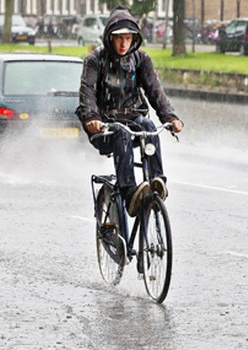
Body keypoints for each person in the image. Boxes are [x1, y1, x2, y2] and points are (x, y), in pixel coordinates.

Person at [77, 5, 183, 217]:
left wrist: (170, 117)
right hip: (106, 126)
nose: (124, 43)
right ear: (109, 38)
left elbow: (155, 91)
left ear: (134, 38)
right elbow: (87, 92)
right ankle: (129, 193)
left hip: (133, 117)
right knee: (121, 133)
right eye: (119, 38)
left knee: (148, 126)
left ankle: (157, 181)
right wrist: (92, 118)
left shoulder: (141, 60)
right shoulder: (94, 60)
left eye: (128, 38)